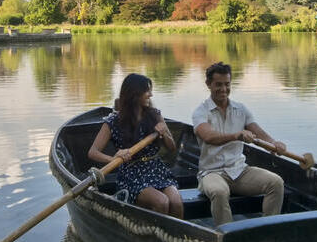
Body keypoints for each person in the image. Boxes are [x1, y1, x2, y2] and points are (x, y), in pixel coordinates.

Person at [193, 61, 287, 226]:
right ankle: (230, 237)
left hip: (239, 170)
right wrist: (236, 135)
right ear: (208, 84)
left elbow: (257, 131)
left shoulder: (241, 109)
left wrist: (274, 144)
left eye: (227, 84)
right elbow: (208, 137)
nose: (223, 89)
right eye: (218, 85)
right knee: (220, 191)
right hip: (211, 173)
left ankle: (267, 230)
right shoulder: (200, 112)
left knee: (276, 182)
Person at [88, 73, 184, 218]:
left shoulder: (155, 115)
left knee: (176, 202)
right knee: (161, 202)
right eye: (147, 91)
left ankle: (176, 239)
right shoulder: (113, 121)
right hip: (131, 173)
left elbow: (172, 148)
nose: (151, 95)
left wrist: (165, 133)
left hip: (156, 168)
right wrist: (114, 158)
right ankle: (155, 239)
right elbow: (93, 152)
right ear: (134, 94)